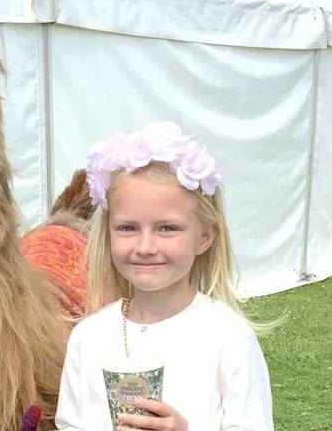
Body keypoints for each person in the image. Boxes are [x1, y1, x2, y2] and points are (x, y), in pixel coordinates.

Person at [55, 121, 274, 431]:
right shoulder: (87, 338)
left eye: (167, 228)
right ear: (108, 233)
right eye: (128, 228)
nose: (145, 247)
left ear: (204, 237)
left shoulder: (228, 338)